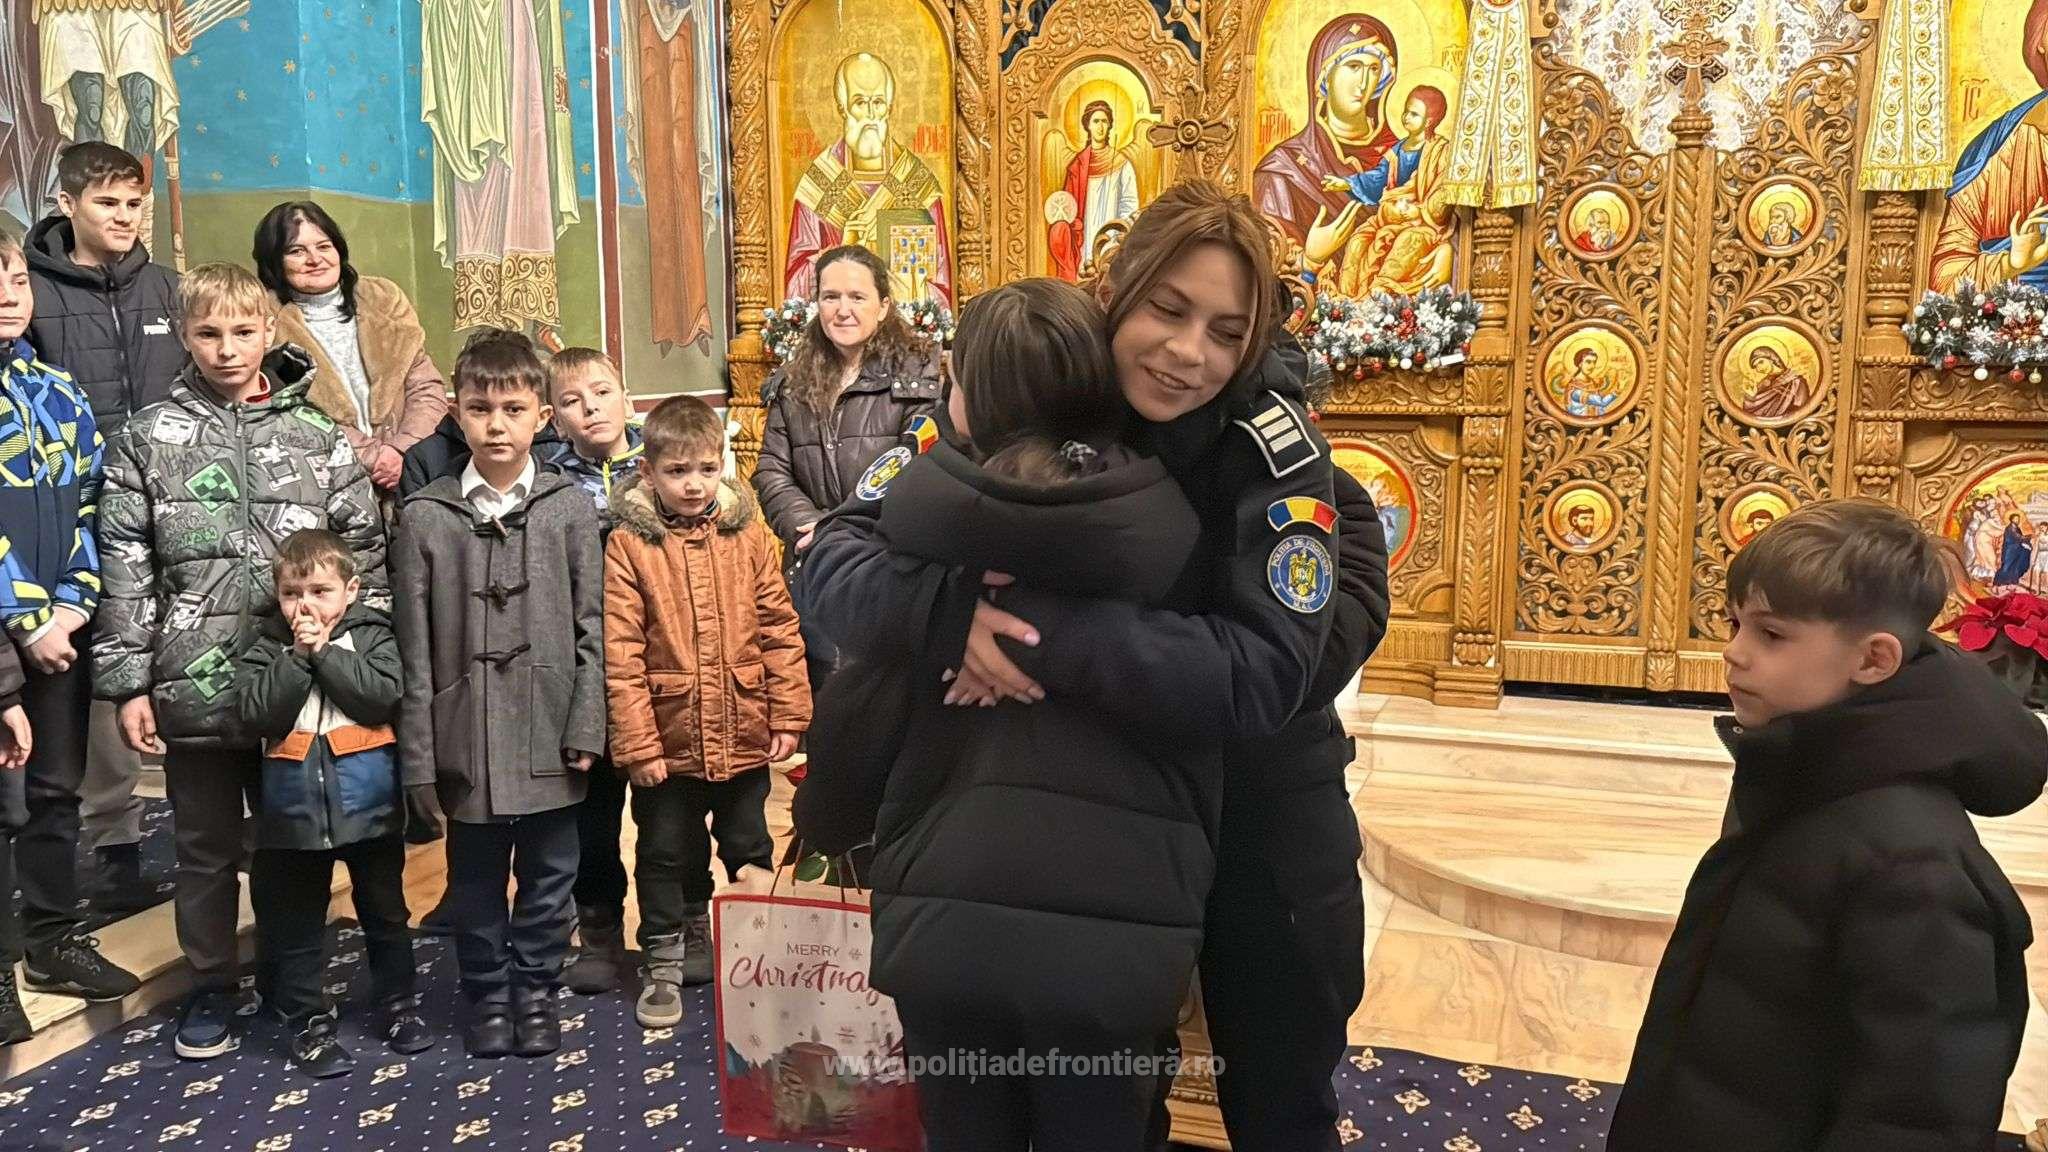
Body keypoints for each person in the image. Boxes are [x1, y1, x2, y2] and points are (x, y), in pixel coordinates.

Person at [806, 180, 1388, 1152]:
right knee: (1080, 1099)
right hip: (1073, 820)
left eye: (1224, 331)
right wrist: (949, 615)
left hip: (1260, 808)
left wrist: (1035, 632)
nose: (1186, 351)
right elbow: (837, 554)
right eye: (1166, 310)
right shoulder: (1035, 387)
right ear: (1116, 291)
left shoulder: (1272, 444)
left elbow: (1292, 647)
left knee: (1279, 1092)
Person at [797, 277, 1212, 1149]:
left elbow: (827, 554)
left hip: (949, 905)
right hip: (1117, 926)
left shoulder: (924, 510)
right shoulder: (1171, 516)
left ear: (971, 397)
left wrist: (948, 612)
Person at [1608, 498, 2046, 1151]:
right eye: (1735, 624)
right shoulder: (1803, 778)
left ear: (1873, 660)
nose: (1733, 653)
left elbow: (1918, 1112)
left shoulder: (1913, 863)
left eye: (1771, 635)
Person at [93, 262, 387, 1062]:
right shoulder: (146, 439)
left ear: (269, 332)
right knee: (206, 848)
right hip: (193, 683)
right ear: (185, 337)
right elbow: (126, 571)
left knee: (294, 843)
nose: (227, 349)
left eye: (243, 332)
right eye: (209, 333)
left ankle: (295, 983)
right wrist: (128, 684)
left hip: (298, 682)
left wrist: (355, 660)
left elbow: (365, 559)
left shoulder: (316, 435)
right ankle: (212, 985)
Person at [392, 329, 605, 1059]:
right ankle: (486, 992)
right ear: (457, 413)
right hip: (465, 732)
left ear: (542, 416)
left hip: (551, 724)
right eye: (480, 409)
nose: (496, 425)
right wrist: (419, 757)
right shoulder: (427, 516)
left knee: (550, 876)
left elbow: (593, 627)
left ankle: (536, 990)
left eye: (514, 409)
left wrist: (587, 723)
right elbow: (413, 649)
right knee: (475, 880)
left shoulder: (568, 507)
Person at [605, 394, 807, 1029]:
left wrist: (788, 714)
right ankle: (666, 957)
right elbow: (621, 650)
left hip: (744, 728)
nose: (694, 484)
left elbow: (779, 626)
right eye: (677, 471)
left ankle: (758, 957)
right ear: (648, 472)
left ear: (724, 465)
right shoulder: (629, 544)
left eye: (706, 468)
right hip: (668, 739)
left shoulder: (748, 533)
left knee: (749, 843)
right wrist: (639, 745)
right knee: (667, 852)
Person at [25, 142, 180, 915]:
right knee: (81, 691)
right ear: (68, 204)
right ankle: (107, 842)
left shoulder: (167, 289)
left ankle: (167, 844)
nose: (124, 217)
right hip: (69, 524)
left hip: (162, 513)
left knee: (151, 672)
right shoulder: (31, 295)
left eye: (134, 204)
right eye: (107, 203)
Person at [235, 530, 435, 1078]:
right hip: (293, 815)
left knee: (386, 914)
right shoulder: (265, 646)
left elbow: (380, 696)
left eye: (320, 591)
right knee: (299, 926)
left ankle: (399, 1004)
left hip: (370, 807)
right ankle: (307, 1022)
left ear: (351, 590)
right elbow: (255, 712)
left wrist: (324, 652)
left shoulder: (372, 634)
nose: (305, 606)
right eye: (291, 593)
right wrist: (298, 657)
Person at [0, 228, 119, 1042]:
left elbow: (93, 502)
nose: (8, 296)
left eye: (15, 279)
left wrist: (73, 604)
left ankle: (50, 940)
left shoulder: (56, 389)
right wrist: (27, 617)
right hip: (12, 630)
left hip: (59, 631)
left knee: (53, 791)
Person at [751, 244, 939, 689]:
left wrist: (842, 529)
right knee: (820, 692)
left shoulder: (917, 374)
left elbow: (914, 461)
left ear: (883, 306)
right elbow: (771, 469)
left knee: (884, 694)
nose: (843, 309)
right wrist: (811, 527)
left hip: (887, 560)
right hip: (812, 560)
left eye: (857, 297)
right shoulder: (793, 381)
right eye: (830, 297)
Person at [545, 346, 644, 996]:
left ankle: (675, 930)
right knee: (592, 815)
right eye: (574, 401)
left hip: (657, 665)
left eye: (603, 392)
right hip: (585, 667)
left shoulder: (666, 464)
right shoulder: (549, 482)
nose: (592, 409)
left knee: (668, 817)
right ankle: (599, 928)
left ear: (625, 396)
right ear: (555, 419)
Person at [253, 201, 449, 495]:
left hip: (413, 472)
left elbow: (425, 387)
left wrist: (402, 452)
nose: (315, 259)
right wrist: (372, 457)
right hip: (327, 481)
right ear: (274, 260)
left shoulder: (383, 298)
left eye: (324, 246)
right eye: (296, 251)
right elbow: (290, 410)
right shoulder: (263, 319)